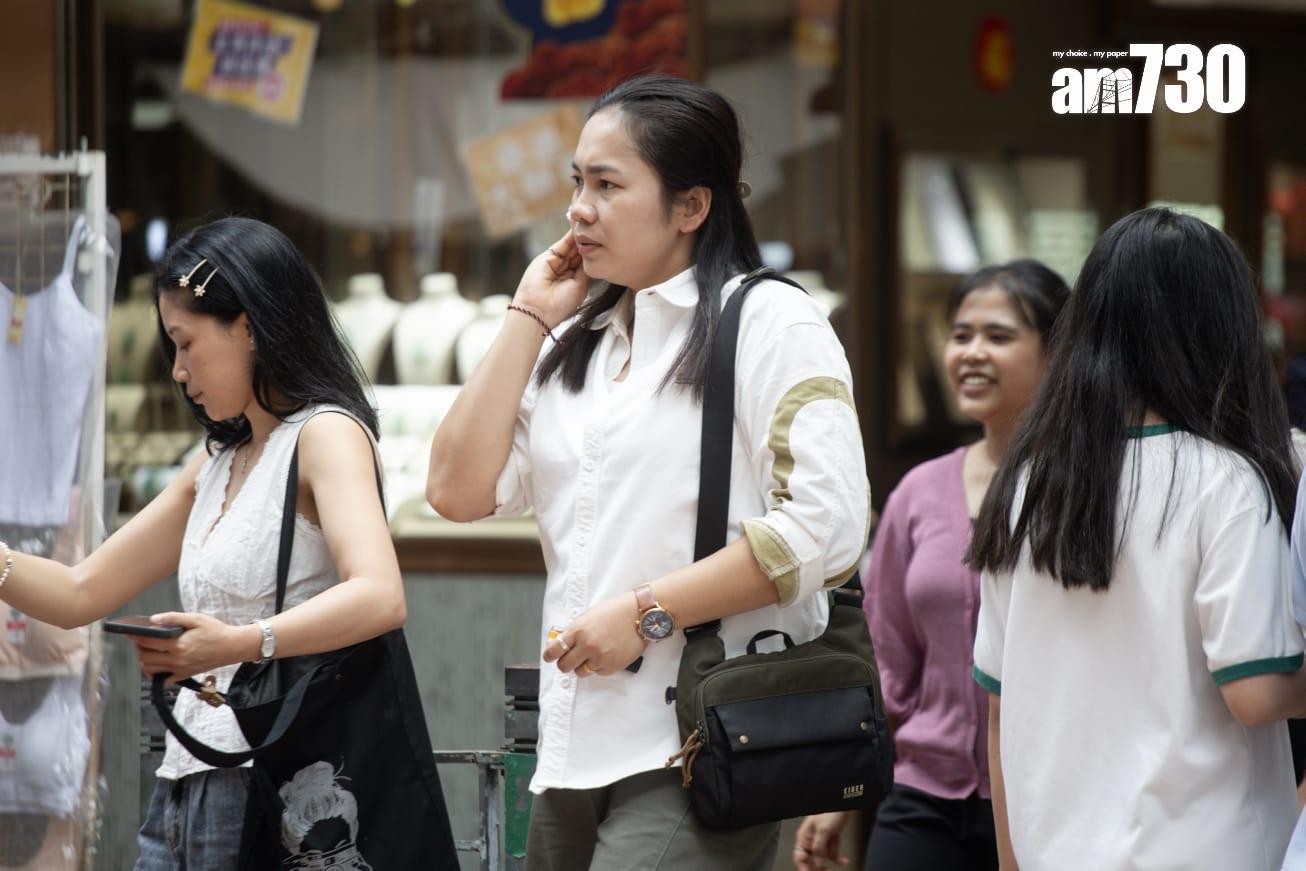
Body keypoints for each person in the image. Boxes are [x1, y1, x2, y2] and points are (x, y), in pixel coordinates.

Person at [426, 74, 869, 871]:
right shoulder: (580, 344)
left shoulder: (769, 320)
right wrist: (528, 317)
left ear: (691, 206)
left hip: (700, 735)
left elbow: (827, 528)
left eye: (607, 184)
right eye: (576, 182)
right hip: (571, 745)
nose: (578, 209)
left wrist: (646, 611)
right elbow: (456, 491)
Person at [0, 217, 409, 869]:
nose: (178, 370)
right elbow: (81, 592)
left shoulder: (325, 434)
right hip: (187, 774)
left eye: (186, 343)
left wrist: (239, 642)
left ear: (248, 325)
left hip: (274, 779)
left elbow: (381, 593)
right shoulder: (218, 459)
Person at [967, 207, 1306, 870]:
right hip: (1206, 847)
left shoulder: (1028, 483)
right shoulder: (1225, 481)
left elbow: (999, 704)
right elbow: (1258, 692)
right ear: (1225, 327)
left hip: (1054, 849)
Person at [793, 261, 1069, 871]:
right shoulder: (919, 493)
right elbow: (887, 661)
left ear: (1058, 353)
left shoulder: (1087, 492)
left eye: (998, 336)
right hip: (924, 796)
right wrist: (846, 788)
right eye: (960, 334)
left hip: (1054, 797)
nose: (971, 353)